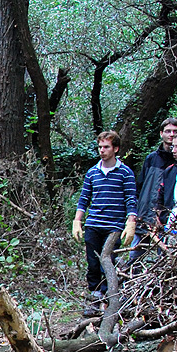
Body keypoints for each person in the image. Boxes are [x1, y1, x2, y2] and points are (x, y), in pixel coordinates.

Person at [72, 131, 137, 316]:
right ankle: (94, 298)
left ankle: (109, 298)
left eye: (106, 147)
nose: (102, 150)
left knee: (107, 263)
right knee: (93, 263)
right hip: (94, 224)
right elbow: (84, 198)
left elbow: (131, 199)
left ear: (115, 149)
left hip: (114, 226)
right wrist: (77, 220)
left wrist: (131, 222)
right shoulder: (92, 172)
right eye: (100, 147)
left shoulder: (125, 172)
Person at [132, 118, 177, 263]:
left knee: (166, 258)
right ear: (161, 134)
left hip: (169, 218)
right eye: (168, 131)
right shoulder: (152, 159)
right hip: (146, 215)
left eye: (175, 132)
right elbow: (140, 186)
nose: (171, 135)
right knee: (135, 256)